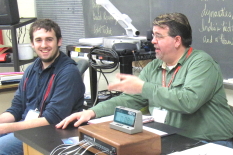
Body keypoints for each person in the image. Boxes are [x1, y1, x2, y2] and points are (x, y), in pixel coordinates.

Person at [56, 13, 233, 148]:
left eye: (159, 36)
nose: (152, 41)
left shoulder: (202, 63)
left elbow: (188, 102)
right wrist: (92, 112)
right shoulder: (155, 66)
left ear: (177, 40)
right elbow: (130, 99)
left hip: (210, 143)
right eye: (153, 35)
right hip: (171, 138)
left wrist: (143, 87)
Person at [0, 19, 85, 154]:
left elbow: (52, 119)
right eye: (39, 40)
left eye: (49, 39)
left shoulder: (68, 73)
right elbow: (17, 108)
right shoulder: (31, 70)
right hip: (28, 127)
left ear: (59, 41)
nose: (44, 45)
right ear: (32, 44)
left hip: (52, 132)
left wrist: (5, 128)